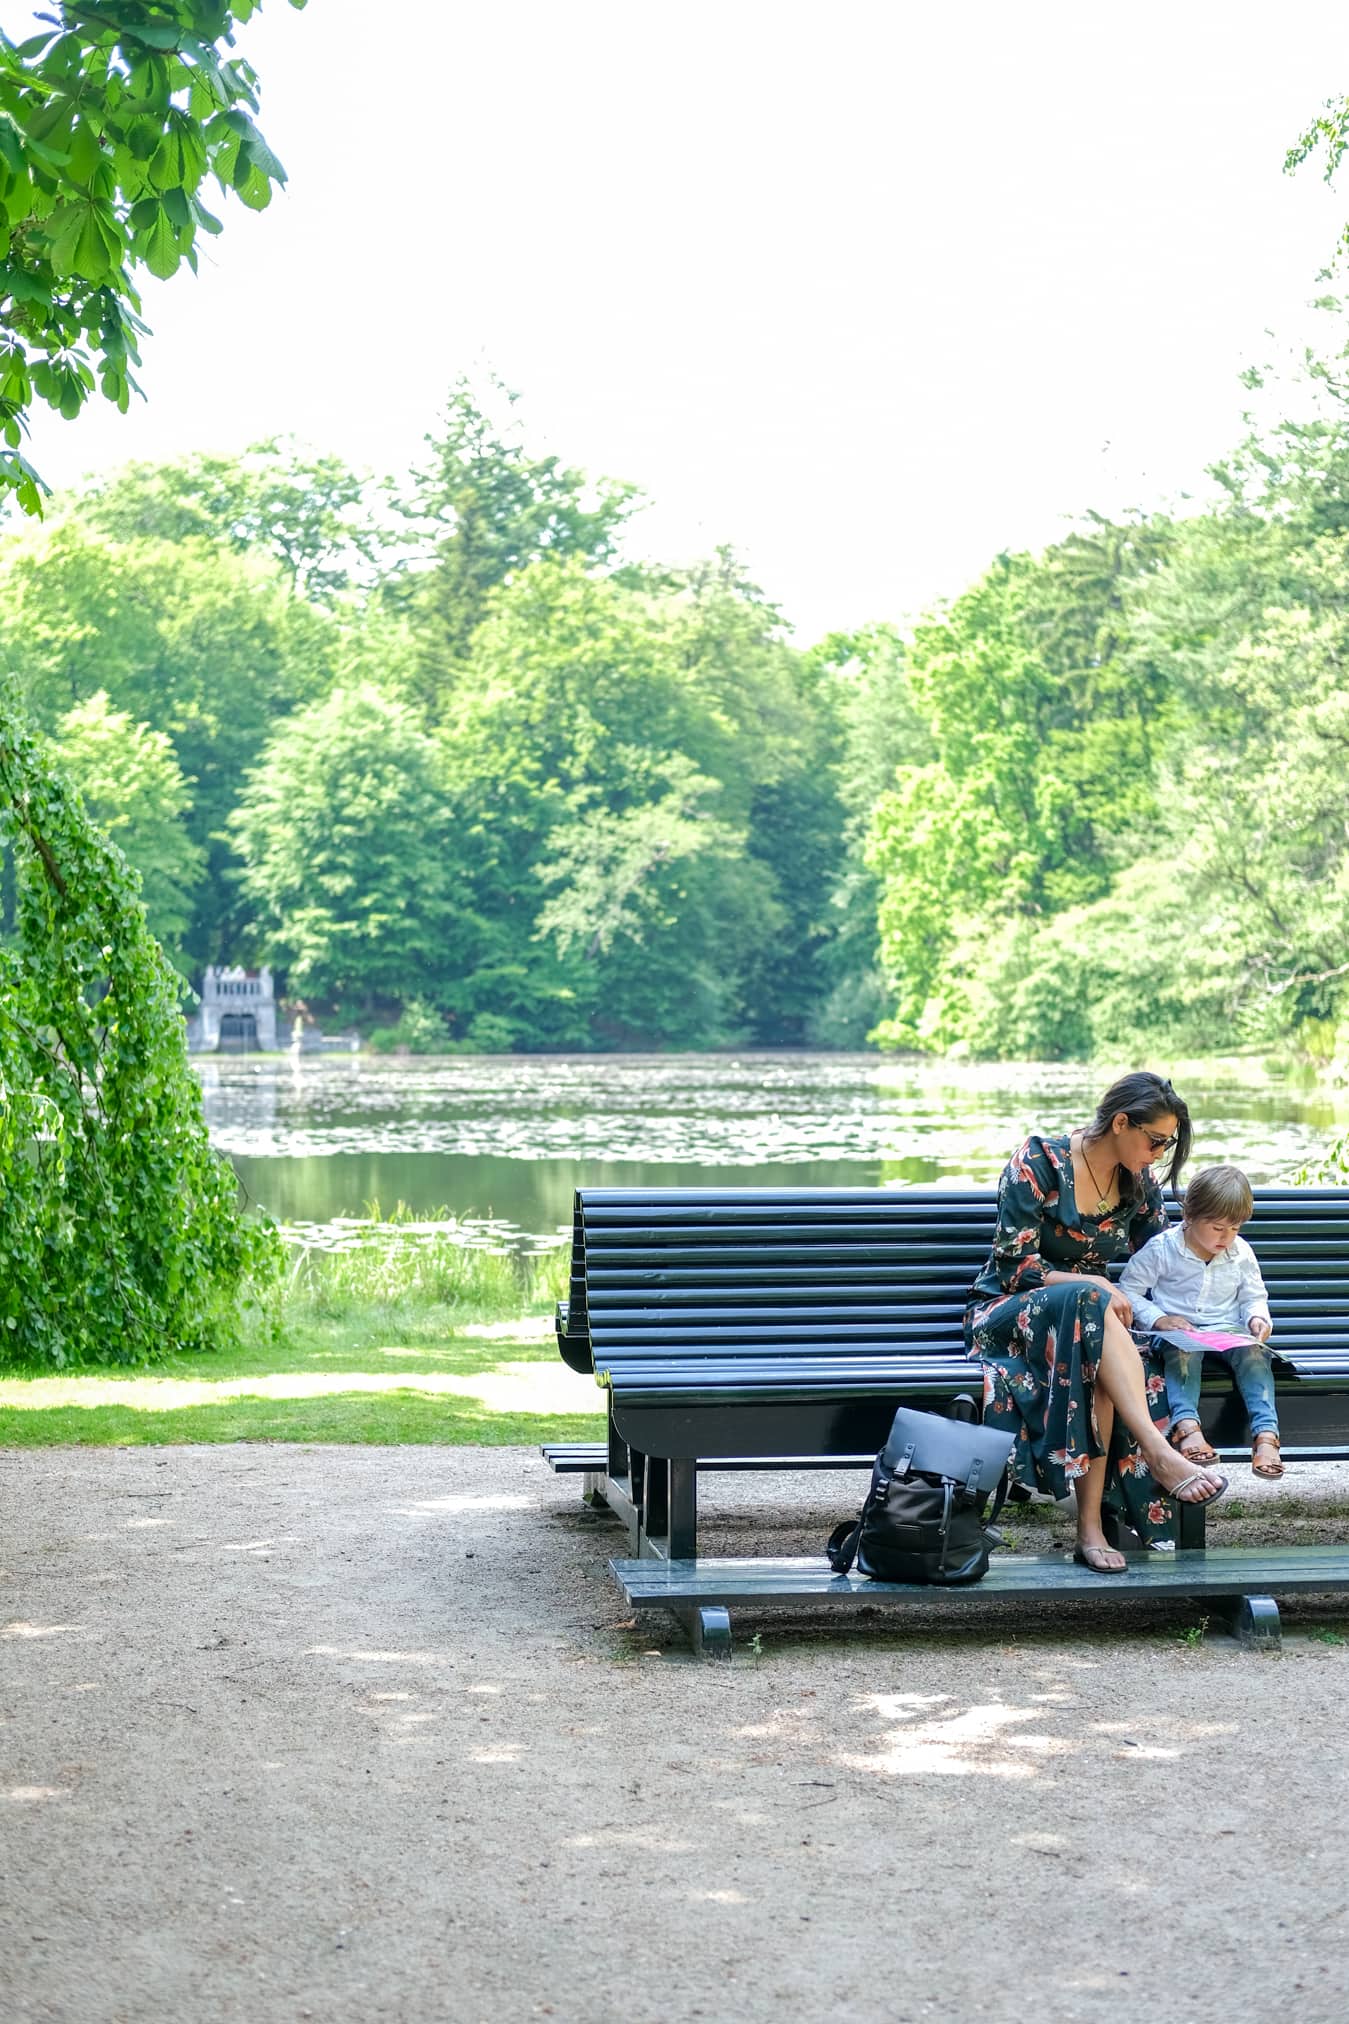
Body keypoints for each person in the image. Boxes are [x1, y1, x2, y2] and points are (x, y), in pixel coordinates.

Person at [966, 1071, 1229, 1575]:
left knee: (1097, 1337)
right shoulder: (1038, 1163)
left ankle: (1091, 1528)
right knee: (1092, 1302)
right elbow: (1011, 1265)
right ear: (1121, 1122)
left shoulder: (1138, 1182)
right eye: (1155, 1140)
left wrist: (1225, 1294)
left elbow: (1164, 1254)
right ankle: (1156, 1451)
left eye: (1167, 1143)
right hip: (1010, 1312)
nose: (1159, 1152)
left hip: (1090, 1324)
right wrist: (1095, 1286)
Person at [1120, 1164, 1280, 1479]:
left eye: (1235, 1228)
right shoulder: (1163, 1249)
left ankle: (1266, 1436)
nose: (1227, 1237)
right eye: (1218, 1227)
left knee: (1256, 1355)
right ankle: (1187, 1427)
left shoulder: (1241, 1253)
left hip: (1226, 1333)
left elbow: (1252, 1297)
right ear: (1190, 1215)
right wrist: (1160, 1319)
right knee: (1183, 1351)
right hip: (1180, 1335)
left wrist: (1257, 1318)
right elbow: (1127, 1291)